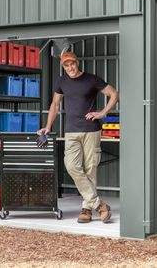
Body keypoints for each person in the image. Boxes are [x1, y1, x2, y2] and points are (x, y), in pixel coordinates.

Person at [37, 51, 119, 223]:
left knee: (90, 169)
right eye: (66, 66)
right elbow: (55, 104)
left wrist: (102, 113)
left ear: (77, 63)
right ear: (63, 66)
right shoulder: (62, 81)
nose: (70, 68)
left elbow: (114, 94)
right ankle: (99, 205)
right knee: (72, 166)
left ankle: (87, 210)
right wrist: (47, 126)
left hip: (91, 130)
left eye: (72, 64)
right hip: (71, 131)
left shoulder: (92, 79)